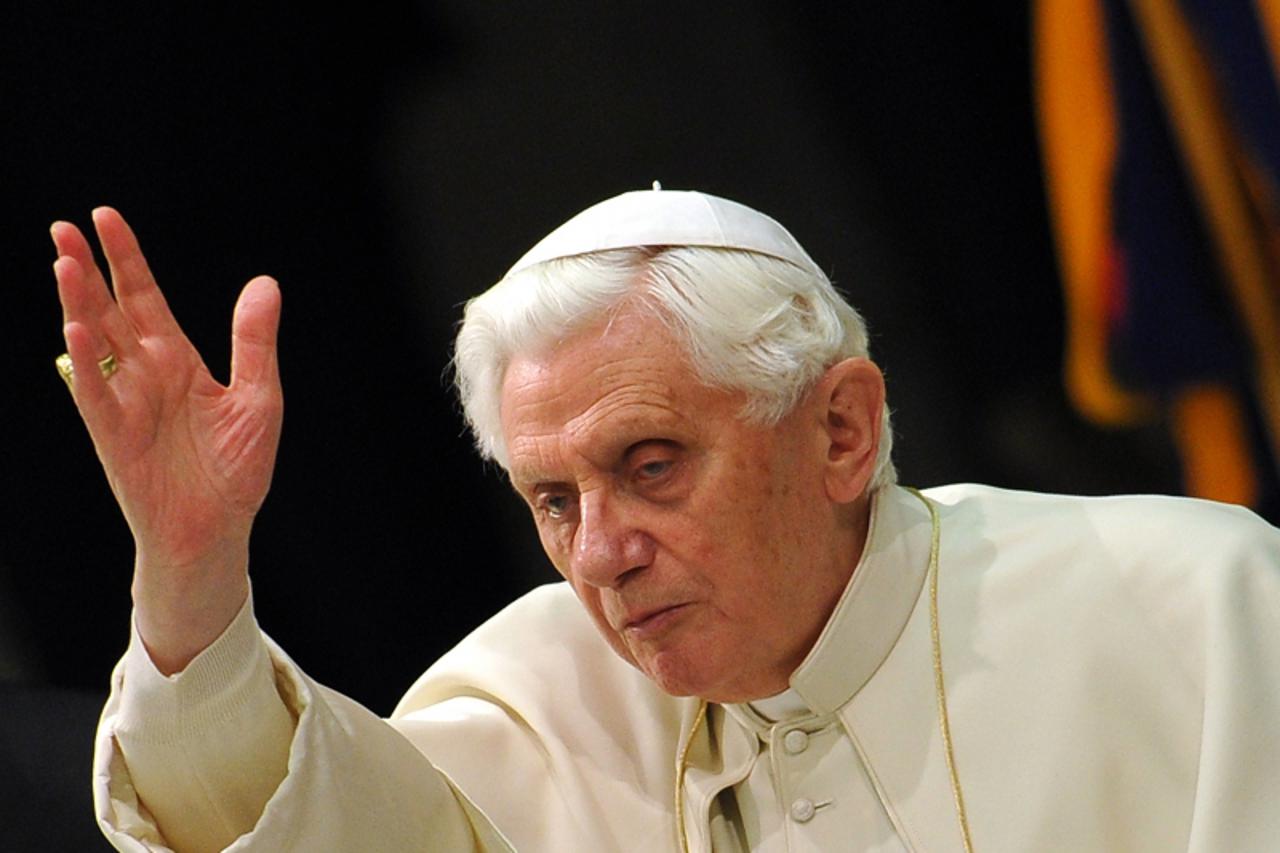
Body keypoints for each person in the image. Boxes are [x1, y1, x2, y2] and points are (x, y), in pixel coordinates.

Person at [55, 189, 1280, 852]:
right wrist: (191, 568)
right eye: (552, 499)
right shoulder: (536, 705)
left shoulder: (1189, 609)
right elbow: (273, 824)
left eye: (650, 465)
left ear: (839, 431)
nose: (599, 555)